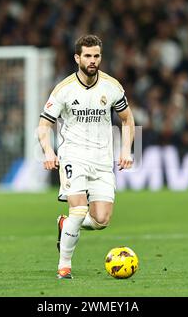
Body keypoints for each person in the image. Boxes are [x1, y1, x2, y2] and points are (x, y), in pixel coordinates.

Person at [38, 35, 135, 279]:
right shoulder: (64, 89)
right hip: (74, 156)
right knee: (79, 210)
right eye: (88, 56)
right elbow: (44, 125)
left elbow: (128, 119)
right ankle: (64, 266)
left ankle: (65, 224)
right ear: (77, 58)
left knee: (101, 220)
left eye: (97, 56)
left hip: (103, 160)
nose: (93, 61)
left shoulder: (112, 86)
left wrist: (126, 150)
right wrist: (49, 151)